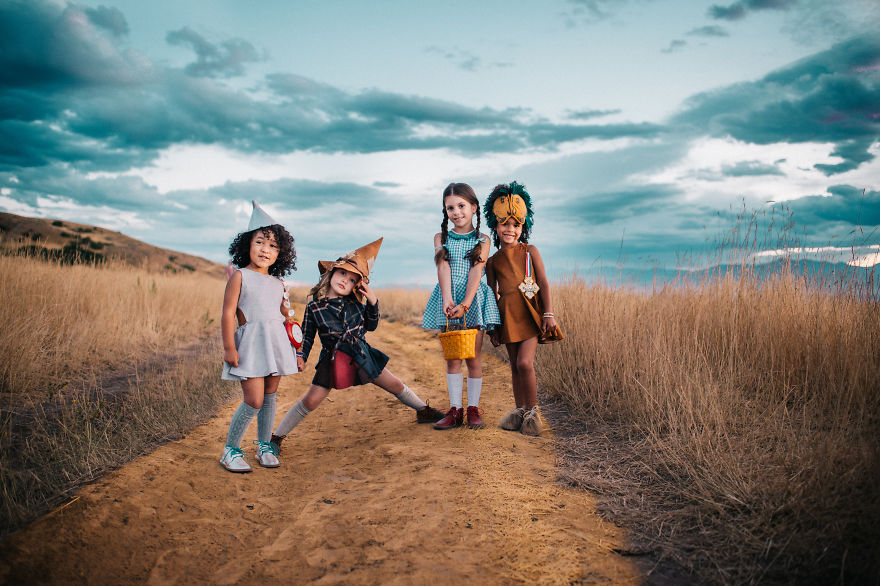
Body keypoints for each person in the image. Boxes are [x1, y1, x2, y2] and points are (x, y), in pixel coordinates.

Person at [269, 238, 444, 455]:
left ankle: (423, 411)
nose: (345, 280)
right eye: (342, 273)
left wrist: (372, 301)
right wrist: (300, 355)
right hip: (333, 359)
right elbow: (306, 337)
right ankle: (276, 438)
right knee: (311, 400)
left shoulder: (356, 304)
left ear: (356, 286)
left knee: (396, 385)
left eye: (352, 279)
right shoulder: (314, 307)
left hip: (361, 354)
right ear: (331, 272)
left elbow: (371, 326)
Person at [220, 201, 298, 473]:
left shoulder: (279, 283)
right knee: (253, 400)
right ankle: (231, 450)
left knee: (269, 395)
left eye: (273, 245)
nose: (266, 250)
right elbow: (228, 314)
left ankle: (264, 445)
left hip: (276, 344)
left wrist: (295, 344)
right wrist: (229, 347)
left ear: (281, 252)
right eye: (260, 242)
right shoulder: (240, 276)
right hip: (251, 345)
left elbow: (285, 317)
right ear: (247, 245)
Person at [484, 181, 563, 436]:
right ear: (495, 225)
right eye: (505, 224)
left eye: (516, 225)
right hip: (506, 316)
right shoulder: (493, 261)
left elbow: (543, 283)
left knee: (525, 363)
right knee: (514, 365)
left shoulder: (530, 252)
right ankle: (519, 410)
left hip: (530, 314)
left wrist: (548, 313)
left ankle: (533, 411)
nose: (510, 229)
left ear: (523, 227)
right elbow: (491, 293)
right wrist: (493, 326)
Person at [421, 183, 501, 430]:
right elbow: (442, 267)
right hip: (449, 299)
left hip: (472, 300)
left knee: (473, 357)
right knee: (453, 357)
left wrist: (465, 304)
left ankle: (473, 409)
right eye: (450, 208)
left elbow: (477, 272)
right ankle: (455, 410)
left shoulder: (483, 240)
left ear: (473, 207)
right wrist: (447, 299)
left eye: (461, 206)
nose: (456, 212)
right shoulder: (440, 238)